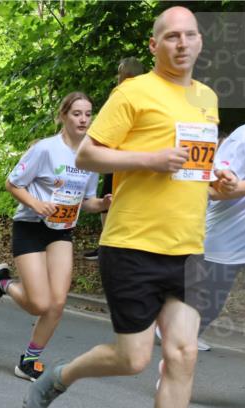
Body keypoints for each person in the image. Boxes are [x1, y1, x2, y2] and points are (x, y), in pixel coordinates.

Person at [23, 7, 238, 408]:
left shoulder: (207, 98)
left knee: (182, 353)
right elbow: (88, 154)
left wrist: (218, 179)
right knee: (134, 357)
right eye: (170, 37)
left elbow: (195, 167)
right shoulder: (133, 92)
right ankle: (61, 375)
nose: (181, 44)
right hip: (133, 243)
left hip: (187, 246)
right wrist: (150, 159)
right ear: (153, 45)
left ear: (200, 42)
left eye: (189, 36)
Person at [0, 92, 109, 380]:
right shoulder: (46, 150)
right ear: (63, 116)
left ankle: (29, 359)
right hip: (30, 227)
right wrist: (36, 204)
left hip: (62, 231)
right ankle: (3, 283)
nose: (83, 119)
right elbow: (13, 183)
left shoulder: (90, 155)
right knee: (39, 303)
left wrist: (101, 204)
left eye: (88, 114)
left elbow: (86, 200)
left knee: (57, 302)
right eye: (77, 113)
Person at [184, 122, 245, 349]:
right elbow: (214, 190)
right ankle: (175, 333)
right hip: (227, 233)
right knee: (209, 302)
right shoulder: (244, 137)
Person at [85, 57, 145, 261]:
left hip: (118, 155)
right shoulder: (149, 93)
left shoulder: (122, 91)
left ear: (125, 74)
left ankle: (107, 245)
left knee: (107, 198)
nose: (117, 76)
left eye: (119, 72)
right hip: (140, 158)